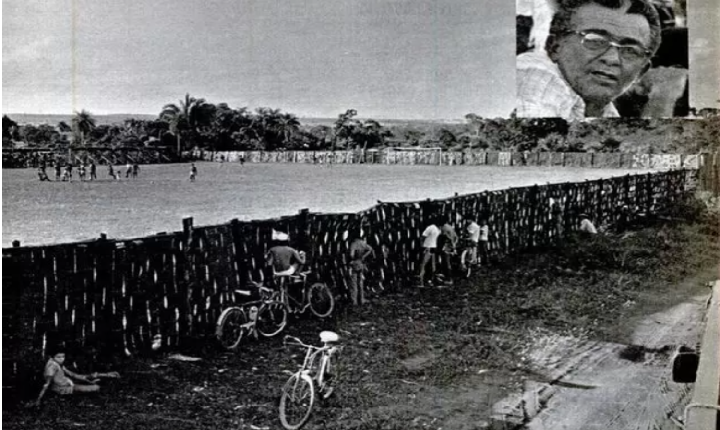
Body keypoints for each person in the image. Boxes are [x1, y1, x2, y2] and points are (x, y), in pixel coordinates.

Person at [515, 0, 684, 120]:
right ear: (554, 47)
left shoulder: (606, 111)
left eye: (630, 50)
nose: (612, 59)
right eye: (595, 41)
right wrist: (662, 97)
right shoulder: (537, 75)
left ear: (640, 72)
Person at [35, 346, 120, 406]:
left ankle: (108, 376)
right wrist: (38, 399)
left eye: (63, 356)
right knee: (96, 387)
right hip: (63, 389)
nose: (62, 359)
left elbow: (73, 375)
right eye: (59, 357)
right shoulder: (51, 366)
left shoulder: (58, 364)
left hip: (67, 384)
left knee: (93, 382)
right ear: (52, 357)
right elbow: (47, 384)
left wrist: (89, 380)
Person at [347, 225, 374, 306]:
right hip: (360, 263)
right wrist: (363, 256)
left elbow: (351, 255)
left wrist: (351, 259)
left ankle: (354, 301)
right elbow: (370, 249)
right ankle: (361, 299)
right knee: (361, 283)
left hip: (354, 263)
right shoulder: (362, 243)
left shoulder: (353, 244)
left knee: (353, 283)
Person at [418, 218, 441, 288]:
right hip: (433, 247)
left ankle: (421, 282)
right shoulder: (438, 229)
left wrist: (422, 246)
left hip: (427, 247)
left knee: (423, 265)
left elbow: (422, 237)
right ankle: (430, 280)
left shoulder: (430, 228)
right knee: (432, 265)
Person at [437, 217, 459, 285]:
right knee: (448, 261)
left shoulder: (444, 228)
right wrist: (454, 246)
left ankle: (449, 279)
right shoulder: (450, 227)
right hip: (451, 245)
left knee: (446, 262)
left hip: (447, 246)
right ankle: (447, 277)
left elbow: (443, 237)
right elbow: (456, 237)